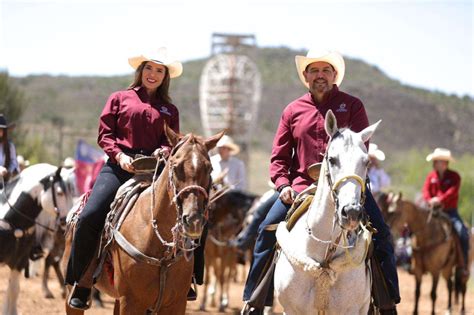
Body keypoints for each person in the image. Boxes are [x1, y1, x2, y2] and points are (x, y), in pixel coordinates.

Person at [242, 49, 399, 314]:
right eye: (314, 70)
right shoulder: (292, 110)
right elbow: (279, 158)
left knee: (381, 233)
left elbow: (361, 149)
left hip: (345, 188)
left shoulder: (352, 105)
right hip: (300, 188)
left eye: (326, 70)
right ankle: (255, 301)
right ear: (305, 76)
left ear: (335, 75)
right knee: (265, 230)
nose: (320, 76)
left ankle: (386, 303)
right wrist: (283, 185)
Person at [65, 47, 183, 310]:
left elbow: (171, 140)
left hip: (155, 172)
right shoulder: (119, 98)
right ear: (140, 71)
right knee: (90, 215)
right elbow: (105, 134)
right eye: (149, 68)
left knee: (190, 217)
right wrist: (119, 156)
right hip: (119, 168)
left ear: (165, 76)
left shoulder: (169, 109)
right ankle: (81, 283)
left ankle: (188, 280)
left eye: (159, 70)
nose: (153, 74)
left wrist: (164, 150)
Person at [422, 148, 469, 275]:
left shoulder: (455, 177)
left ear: (444, 163)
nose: (434, 163)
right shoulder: (431, 176)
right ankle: (414, 260)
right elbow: (425, 191)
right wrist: (429, 200)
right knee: (417, 229)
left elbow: (452, 192)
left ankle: (463, 264)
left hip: (450, 212)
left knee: (463, 233)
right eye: (435, 161)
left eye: (436, 161)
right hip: (432, 210)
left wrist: (439, 199)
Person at [0, 114, 20, 184]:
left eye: (0, 130)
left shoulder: (10, 146)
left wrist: (8, 171)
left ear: (4, 131)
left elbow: (14, 162)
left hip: (5, 181)